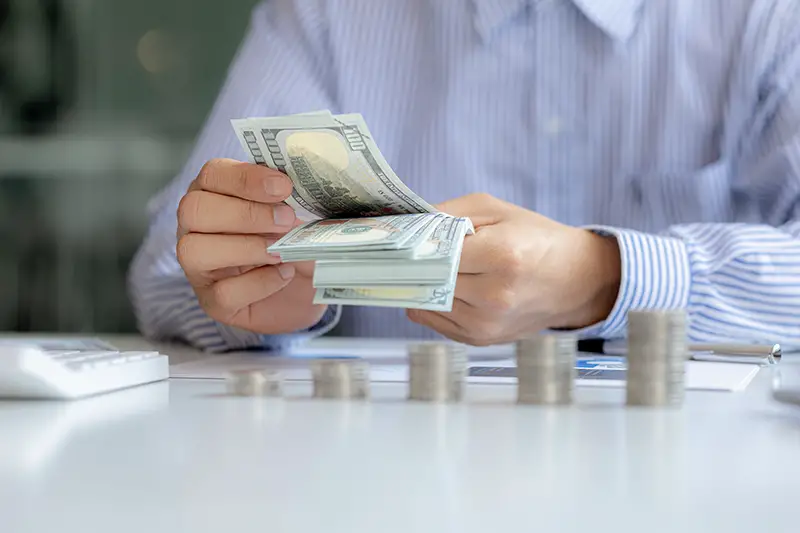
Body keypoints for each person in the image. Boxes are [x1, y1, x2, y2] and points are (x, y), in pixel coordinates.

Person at [128, 0, 800, 353]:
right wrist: (259, 306)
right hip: (383, 480)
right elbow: (167, 271)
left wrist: (607, 277)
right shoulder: (328, 14)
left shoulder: (766, 16)